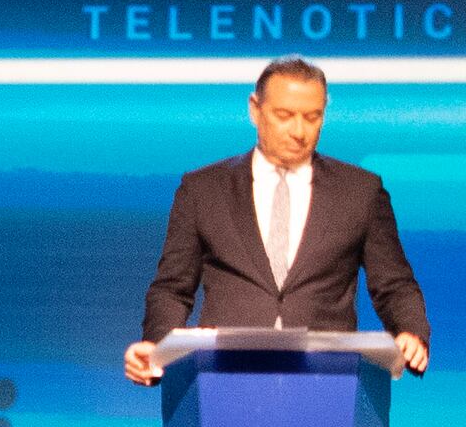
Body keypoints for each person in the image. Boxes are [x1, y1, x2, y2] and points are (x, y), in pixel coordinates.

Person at [124, 58, 431, 383]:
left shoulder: (361, 192)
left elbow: (394, 285)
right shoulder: (203, 189)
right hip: (224, 377)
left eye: (312, 117)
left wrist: (410, 331)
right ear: (255, 109)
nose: (299, 131)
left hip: (326, 379)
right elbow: (172, 289)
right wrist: (157, 349)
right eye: (284, 116)